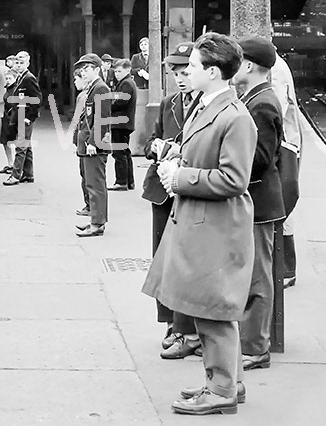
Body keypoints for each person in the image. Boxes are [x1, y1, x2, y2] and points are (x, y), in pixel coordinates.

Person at [142, 32, 256, 415]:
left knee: (213, 310)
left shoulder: (234, 117)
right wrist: (174, 158)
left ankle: (221, 390)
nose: (184, 72)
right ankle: (226, 382)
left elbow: (234, 179)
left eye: (191, 66)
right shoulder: (209, 106)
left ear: (212, 71)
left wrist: (180, 177)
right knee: (208, 308)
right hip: (202, 223)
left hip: (215, 227)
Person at [232, 36, 286, 372]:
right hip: (254, 199)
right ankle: (251, 341)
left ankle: (256, 347)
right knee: (251, 273)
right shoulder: (255, 97)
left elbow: (261, 158)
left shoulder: (262, 103)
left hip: (259, 201)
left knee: (257, 277)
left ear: (249, 66)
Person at [144, 42, 201, 359]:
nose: (180, 78)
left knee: (185, 259)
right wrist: (157, 147)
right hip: (162, 190)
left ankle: (187, 327)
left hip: (188, 187)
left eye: (185, 72)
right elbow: (150, 139)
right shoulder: (169, 103)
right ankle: (170, 322)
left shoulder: (207, 105)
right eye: (175, 73)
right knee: (162, 258)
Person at [270, 52, 302, 287]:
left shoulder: (276, 69)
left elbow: (277, 110)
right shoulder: (276, 65)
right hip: (284, 143)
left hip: (285, 146)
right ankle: (284, 267)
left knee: (282, 205)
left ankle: (286, 269)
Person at [73, 53, 112, 236]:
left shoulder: (100, 88)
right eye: (83, 69)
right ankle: (96, 220)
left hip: (95, 145)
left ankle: (97, 224)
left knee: (95, 185)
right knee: (93, 183)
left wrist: (92, 142)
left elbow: (101, 118)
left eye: (87, 68)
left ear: (97, 69)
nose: (84, 72)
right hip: (91, 143)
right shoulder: (94, 88)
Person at [3, 51, 41, 186]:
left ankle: (15, 175)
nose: (19, 66)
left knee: (21, 146)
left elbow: (37, 98)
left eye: (22, 63)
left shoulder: (29, 78)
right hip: (19, 115)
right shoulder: (20, 77)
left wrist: (30, 117)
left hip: (25, 117)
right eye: (17, 63)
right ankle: (28, 174)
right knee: (27, 146)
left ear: (28, 63)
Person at [109, 59, 137, 191]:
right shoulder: (127, 83)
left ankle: (121, 181)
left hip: (120, 122)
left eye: (119, 71)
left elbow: (121, 102)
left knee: (119, 153)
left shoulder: (126, 84)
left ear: (128, 70)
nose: (116, 74)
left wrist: (108, 105)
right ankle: (129, 181)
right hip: (124, 122)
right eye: (115, 71)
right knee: (125, 152)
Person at [0, 54, 19, 174]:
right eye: (7, 78)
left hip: (13, 118)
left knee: (11, 142)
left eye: (10, 78)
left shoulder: (16, 90)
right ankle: (10, 163)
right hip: (6, 117)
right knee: (5, 141)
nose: (8, 80)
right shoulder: (8, 89)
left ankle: (14, 164)